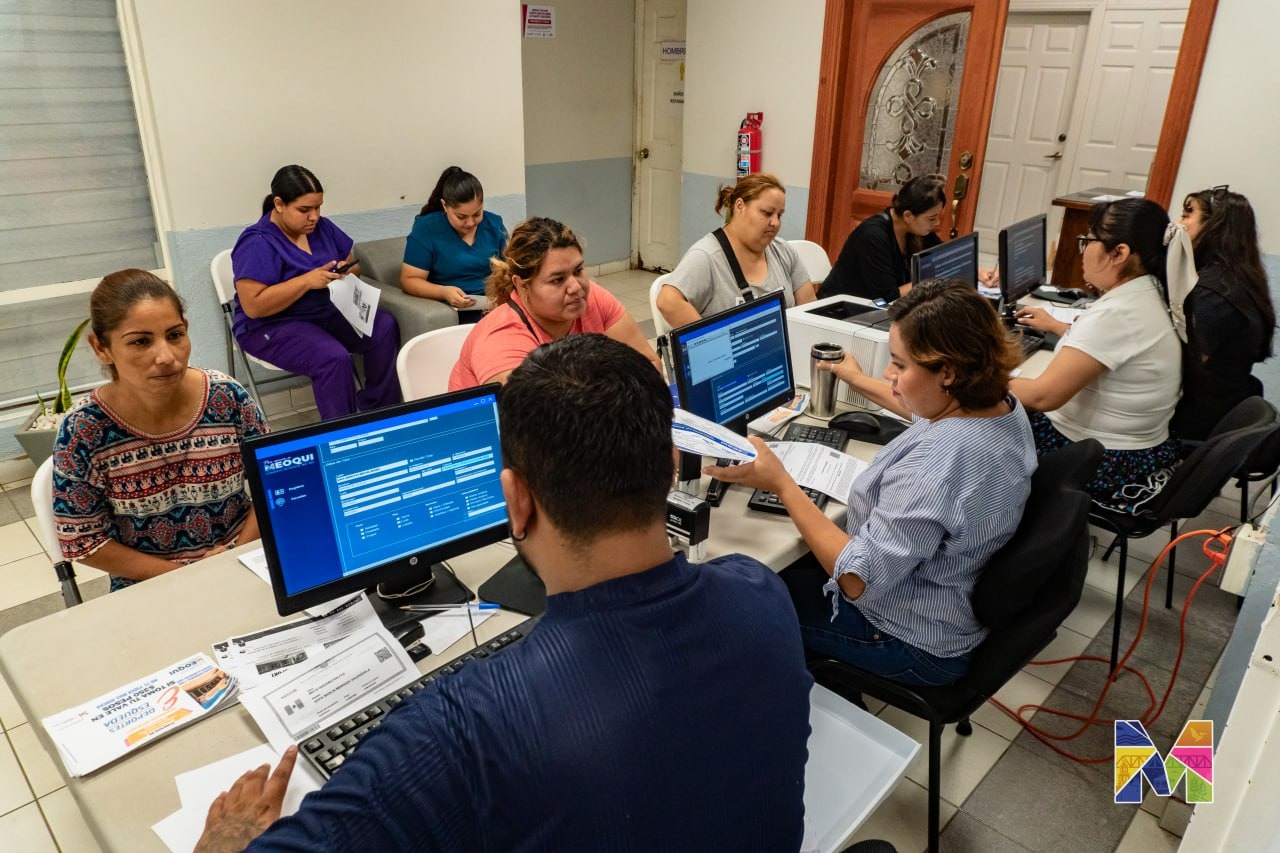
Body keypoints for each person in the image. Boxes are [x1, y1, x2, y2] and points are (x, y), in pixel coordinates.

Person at [195, 335, 814, 852]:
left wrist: (227, 837)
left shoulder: (465, 725)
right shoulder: (759, 592)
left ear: (515, 499)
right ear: (671, 465)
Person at [708, 280, 1035, 686]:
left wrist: (783, 484)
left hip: (907, 638)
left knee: (736, 601)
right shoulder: (997, 404)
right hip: (947, 602)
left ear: (948, 372)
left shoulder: (942, 464)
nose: (888, 372)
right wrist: (854, 378)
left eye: (899, 364)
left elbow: (855, 580)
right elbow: (924, 411)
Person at [52, 269, 267, 593]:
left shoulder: (227, 398)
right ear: (101, 348)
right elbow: (82, 541)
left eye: (175, 335)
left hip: (242, 561)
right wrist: (186, 576)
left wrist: (231, 557)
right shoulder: (85, 431)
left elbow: (274, 482)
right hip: (149, 585)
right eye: (140, 341)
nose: (167, 357)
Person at [1010, 198, 1183, 511]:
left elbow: (1042, 397)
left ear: (1119, 253)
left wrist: (970, 378)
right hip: (1140, 451)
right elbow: (1112, 348)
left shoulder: (1120, 313)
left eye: (1088, 240)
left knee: (977, 423)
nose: (1084, 249)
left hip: (1106, 463)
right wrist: (1058, 327)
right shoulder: (1150, 290)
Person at [231, 165, 401, 420]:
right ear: (279, 204)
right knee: (332, 358)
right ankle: (340, 435)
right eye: (304, 210)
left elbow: (352, 262)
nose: (314, 216)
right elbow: (254, 306)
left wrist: (344, 273)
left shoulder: (322, 227)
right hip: (272, 325)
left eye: (318, 207)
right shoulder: (257, 241)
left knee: (384, 326)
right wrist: (306, 282)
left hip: (324, 313)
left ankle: (380, 413)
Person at [449, 217, 660, 388]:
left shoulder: (590, 298)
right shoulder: (501, 341)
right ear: (522, 286)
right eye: (557, 280)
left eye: (578, 271)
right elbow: (543, 427)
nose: (576, 287)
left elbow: (651, 368)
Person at [1171, 186, 1276, 440]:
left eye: (1186, 215)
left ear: (1214, 227)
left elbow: (1182, 365)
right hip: (1219, 405)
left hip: (1196, 420)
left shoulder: (1214, 292)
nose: (1177, 223)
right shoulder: (1233, 278)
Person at [656, 173, 816, 329]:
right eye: (767, 213)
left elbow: (809, 311)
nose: (775, 222)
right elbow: (667, 301)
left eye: (779, 215)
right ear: (740, 206)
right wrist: (714, 344)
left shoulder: (783, 251)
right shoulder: (706, 257)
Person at [399, 166, 508, 324]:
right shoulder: (427, 228)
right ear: (445, 206)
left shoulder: (494, 224)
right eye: (461, 217)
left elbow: (511, 267)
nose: (470, 223)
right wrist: (443, 292)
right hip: (455, 310)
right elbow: (409, 279)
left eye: (477, 214)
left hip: (494, 304)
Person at [821, 174, 947, 303]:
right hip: (840, 311)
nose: (937, 223)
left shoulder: (917, 229)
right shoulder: (872, 236)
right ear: (908, 215)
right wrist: (928, 279)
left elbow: (944, 257)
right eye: (932, 218)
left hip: (875, 309)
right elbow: (886, 298)